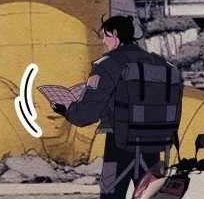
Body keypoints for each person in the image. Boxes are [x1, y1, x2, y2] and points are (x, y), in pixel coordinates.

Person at [51, 15, 177, 199]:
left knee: (111, 194)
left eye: (106, 35)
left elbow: (88, 111)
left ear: (116, 34)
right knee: (151, 196)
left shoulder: (107, 64)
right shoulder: (158, 63)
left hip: (118, 143)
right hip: (153, 142)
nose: (103, 41)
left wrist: (67, 110)